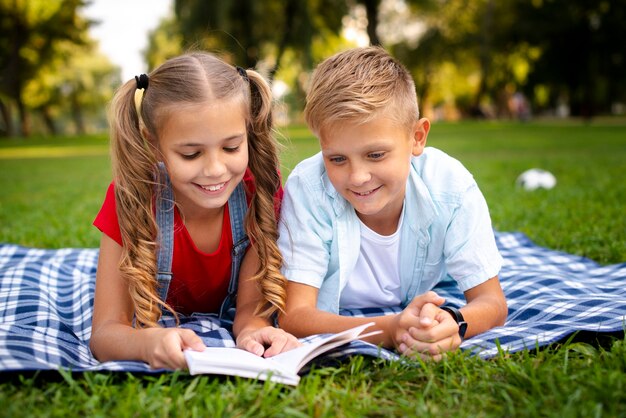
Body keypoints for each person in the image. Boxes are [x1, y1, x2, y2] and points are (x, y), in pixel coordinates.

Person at [277, 46, 507, 360]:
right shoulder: (308, 190)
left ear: (417, 137)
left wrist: (454, 323)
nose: (358, 177)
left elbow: (492, 303)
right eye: (337, 158)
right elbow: (294, 316)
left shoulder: (450, 187)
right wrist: (390, 328)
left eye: (375, 155)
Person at [91, 52, 299, 370]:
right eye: (191, 153)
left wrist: (255, 332)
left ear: (248, 132)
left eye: (231, 147)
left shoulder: (258, 193)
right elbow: (105, 334)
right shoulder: (132, 200)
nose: (215, 169)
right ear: (154, 144)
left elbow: (249, 314)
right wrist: (146, 343)